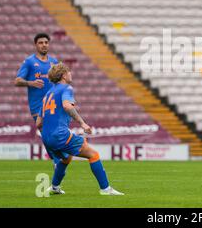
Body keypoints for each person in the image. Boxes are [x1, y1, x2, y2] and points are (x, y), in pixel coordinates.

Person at [35, 63, 123, 196]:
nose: (71, 74)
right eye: (69, 72)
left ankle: (54, 187)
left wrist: (49, 135)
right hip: (59, 135)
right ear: (64, 75)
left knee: (66, 159)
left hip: (47, 138)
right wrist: (82, 123)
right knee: (93, 155)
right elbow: (67, 106)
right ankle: (105, 189)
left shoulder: (48, 94)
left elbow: (38, 123)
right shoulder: (66, 88)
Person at [15, 33, 60, 166]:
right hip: (37, 105)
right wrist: (31, 83)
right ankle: (56, 160)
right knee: (47, 133)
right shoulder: (29, 62)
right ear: (36, 45)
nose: (44, 45)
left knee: (54, 133)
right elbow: (17, 81)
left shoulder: (54, 62)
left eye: (46, 42)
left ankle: (57, 160)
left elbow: (59, 82)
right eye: (41, 42)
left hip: (52, 104)